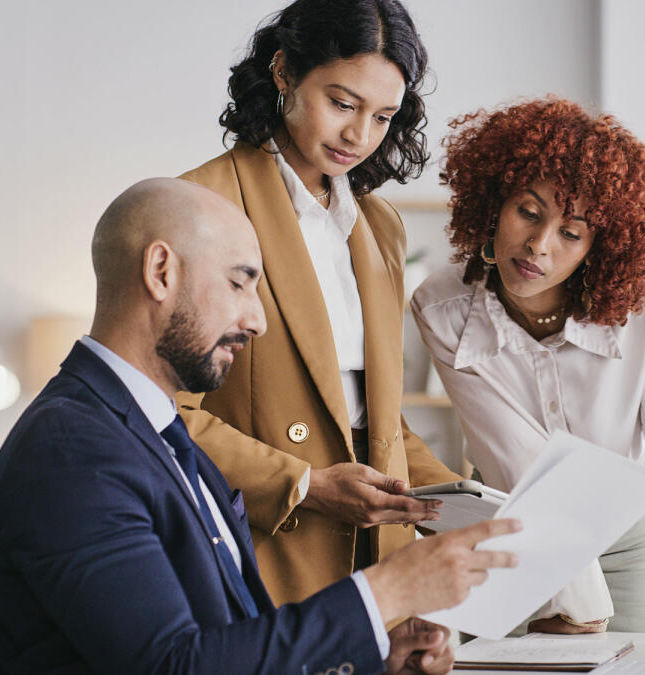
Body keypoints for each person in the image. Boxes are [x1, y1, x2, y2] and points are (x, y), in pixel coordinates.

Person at [0, 178, 520, 674]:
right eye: (241, 284)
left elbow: (230, 646)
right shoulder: (73, 452)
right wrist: (383, 595)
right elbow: (173, 667)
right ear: (160, 272)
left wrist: (377, 656)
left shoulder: (155, 431)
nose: (257, 320)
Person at [410, 99, 645, 640]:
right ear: (496, 201)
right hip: (513, 535)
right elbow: (513, 456)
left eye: (571, 233)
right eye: (529, 211)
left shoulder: (644, 305)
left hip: (628, 540)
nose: (538, 246)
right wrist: (574, 604)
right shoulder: (442, 306)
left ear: (599, 247)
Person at [175, 0, 461, 606]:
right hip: (262, 547)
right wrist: (303, 484)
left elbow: (377, 423)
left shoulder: (379, 226)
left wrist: (468, 504)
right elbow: (162, 413)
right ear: (283, 72)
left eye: (383, 116)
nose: (359, 135)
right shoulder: (201, 206)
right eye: (342, 103)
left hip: (377, 555)